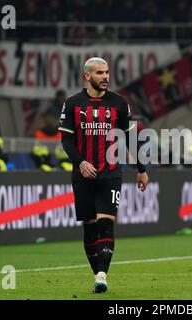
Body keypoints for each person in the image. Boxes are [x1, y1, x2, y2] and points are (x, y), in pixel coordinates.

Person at [58, 57, 148, 293]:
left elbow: (130, 139)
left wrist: (141, 169)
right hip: (82, 175)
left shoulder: (119, 103)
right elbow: (66, 140)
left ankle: (102, 274)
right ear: (87, 76)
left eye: (107, 72)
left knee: (106, 224)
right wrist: (81, 162)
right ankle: (97, 273)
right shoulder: (72, 104)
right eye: (100, 73)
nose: (106, 77)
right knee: (89, 228)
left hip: (110, 173)